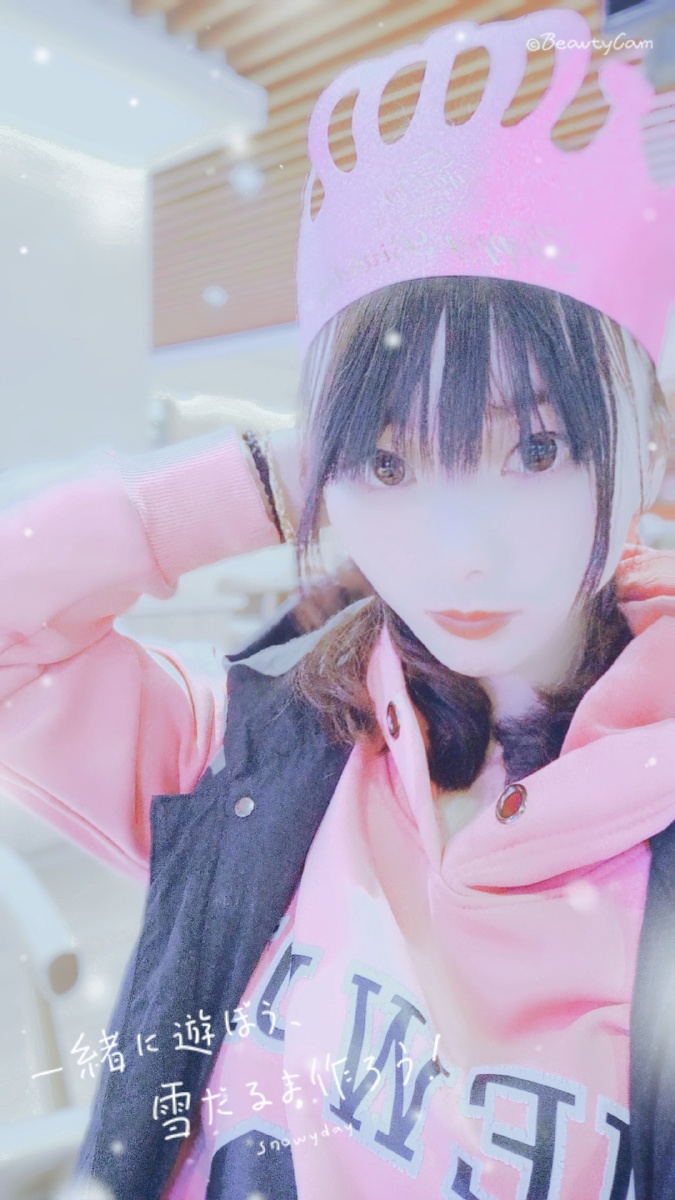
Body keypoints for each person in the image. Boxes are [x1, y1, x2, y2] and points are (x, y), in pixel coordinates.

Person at [2, 8, 675, 1200]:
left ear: (641, 452)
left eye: (536, 448)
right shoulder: (255, 749)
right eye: (390, 461)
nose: (460, 555)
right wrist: (263, 483)